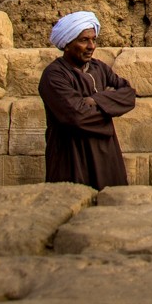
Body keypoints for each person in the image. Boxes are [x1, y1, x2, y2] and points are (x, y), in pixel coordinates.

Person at [38, 11, 137, 188]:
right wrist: (109, 110)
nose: (91, 46)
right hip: (72, 157)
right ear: (67, 44)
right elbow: (77, 116)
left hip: (107, 155)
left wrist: (96, 100)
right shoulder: (54, 76)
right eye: (84, 40)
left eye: (94, 39)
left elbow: (128, 94)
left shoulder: (99, 68)